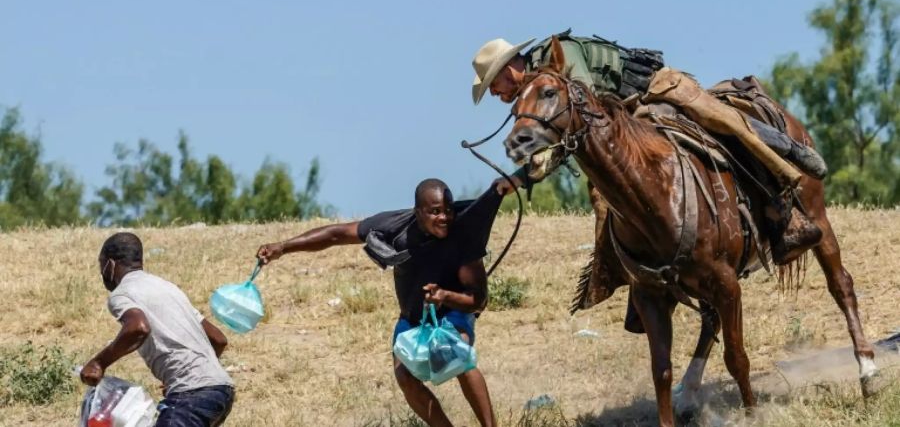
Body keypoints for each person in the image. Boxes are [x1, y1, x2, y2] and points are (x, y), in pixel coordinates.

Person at [471, 30, 827, 265]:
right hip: (623, 123)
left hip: (653, 92)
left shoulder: (558, 59)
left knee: (721, 124)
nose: (495, 94)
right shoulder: (535, 93)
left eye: (494, 85)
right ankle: (629, 269)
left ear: (509, 69)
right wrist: (521, 177)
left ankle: (784, 188)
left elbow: (582, 113)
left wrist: (524, 173)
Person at [255, 178, 516, 427]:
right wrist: (283, 247)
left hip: (454, 311)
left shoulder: (463, 234)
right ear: (418, 212)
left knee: (456, 355)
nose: (444, 218)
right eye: (435, 211)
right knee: (404, 375)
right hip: (412, 318)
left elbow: (478, 301)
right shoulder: (395, 225)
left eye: (447, 210)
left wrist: (445, 296)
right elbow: (336, 234)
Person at [80, 232, 234, 427]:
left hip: (191, 394)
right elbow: (218, 339)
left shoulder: (122, 293)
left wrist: (98, 363)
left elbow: (138, 327)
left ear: (110, 264)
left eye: (101, 265)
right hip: (220, 390)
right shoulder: (169, 288)